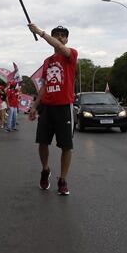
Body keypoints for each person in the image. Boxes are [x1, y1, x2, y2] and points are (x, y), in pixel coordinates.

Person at [27, 23, 78, 195]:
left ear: (67, 39)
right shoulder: (47, 62)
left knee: (66, 146)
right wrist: (35, 106)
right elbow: (44, 86)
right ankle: (45, 169)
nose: (60, 37)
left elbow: (60, 48)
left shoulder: (71, 54)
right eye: (57, 34)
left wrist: (40, 32)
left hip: (64, 107)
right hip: (47, 107)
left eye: (63, 35)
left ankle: (62, 180)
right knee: (42, 142)